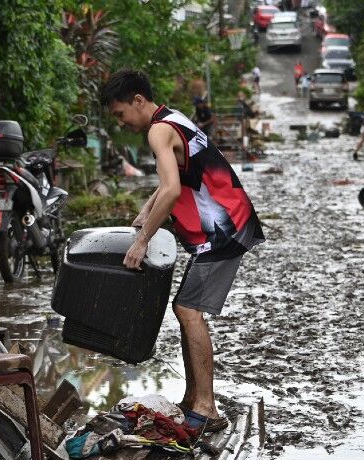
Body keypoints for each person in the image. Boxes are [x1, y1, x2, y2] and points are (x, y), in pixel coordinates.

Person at [100, 69, 265, 434]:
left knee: (189, 310)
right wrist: (146, 211)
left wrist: (142, 241)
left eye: (120, 113)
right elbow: (169, 182)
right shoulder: (172, 118)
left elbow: (172, 189)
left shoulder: (158, 131)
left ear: (138, 100)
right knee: (185, 307)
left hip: (223, 229)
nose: (121, 121)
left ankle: (205, 407)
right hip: (229, 223)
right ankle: (195, 400)